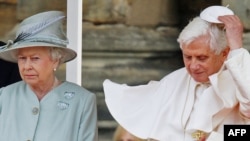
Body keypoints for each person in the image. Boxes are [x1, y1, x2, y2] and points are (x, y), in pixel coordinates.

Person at [103, 5, 250, 141]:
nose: (193, 66)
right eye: (187, 56)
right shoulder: (174, 81)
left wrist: (236, 48)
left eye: (201, 58)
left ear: (224, 53)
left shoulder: (239, 78)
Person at [0, 11, 98, 141]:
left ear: (56, 60)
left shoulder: (82, 101)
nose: (27, 66)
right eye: (22, 58)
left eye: (35, 58)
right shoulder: (4, 96)